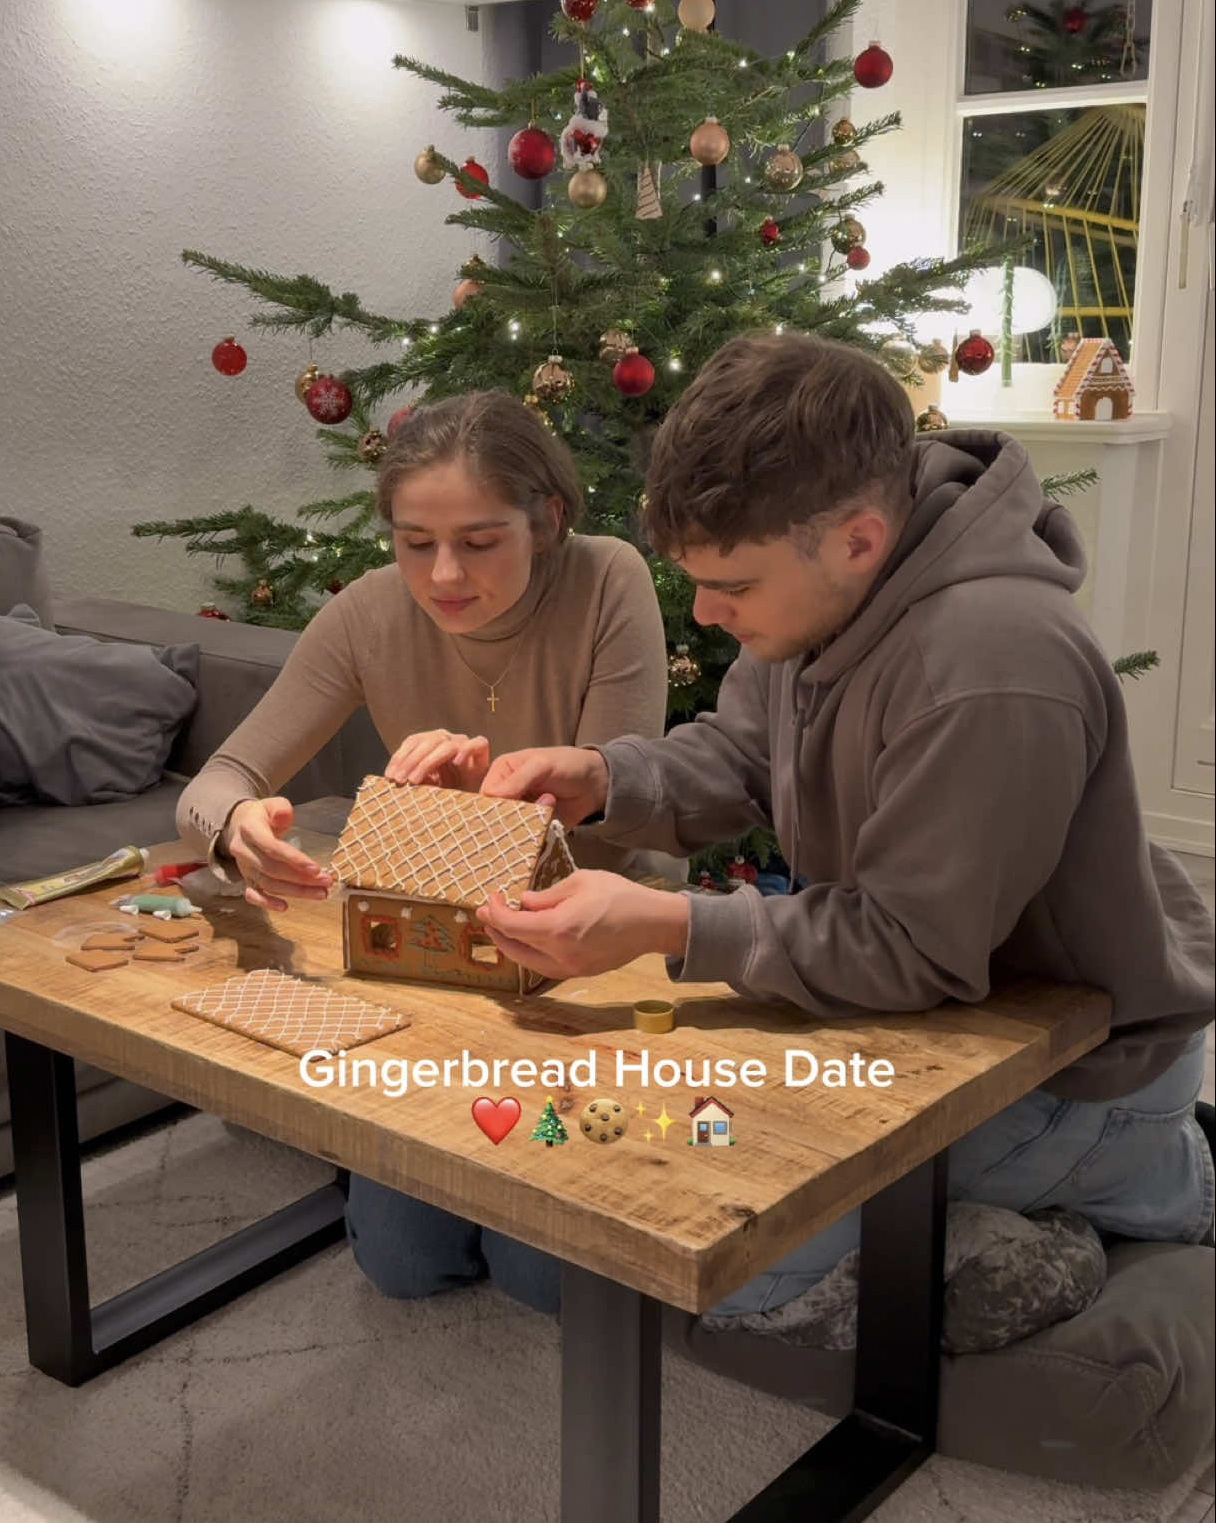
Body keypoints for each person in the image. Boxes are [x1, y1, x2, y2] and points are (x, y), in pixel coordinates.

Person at [477, 332, 1215, 1322]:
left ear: (859, 539)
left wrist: (669, 926)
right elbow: (744, 752)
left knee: (723, 1266)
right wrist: (604, 778)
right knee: (638, 1181)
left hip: (1076, 1069)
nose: (706, 611)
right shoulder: (820, 594)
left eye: (732, 587)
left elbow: (911, 950)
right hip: (945, 1017)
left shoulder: (993, 659)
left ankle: (1157, 1188)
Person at [175, 389, 670, 1313]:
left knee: (544, 1281)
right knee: (404, 1268)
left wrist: (471, 824)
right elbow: (215, 783)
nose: (443, 574)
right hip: (441, 948)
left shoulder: (607, 579)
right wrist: (237, 831)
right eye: (414, 543)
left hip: (589, 941)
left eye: (480, 542)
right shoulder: (368, 611)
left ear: (548, 520)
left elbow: (627, 814)